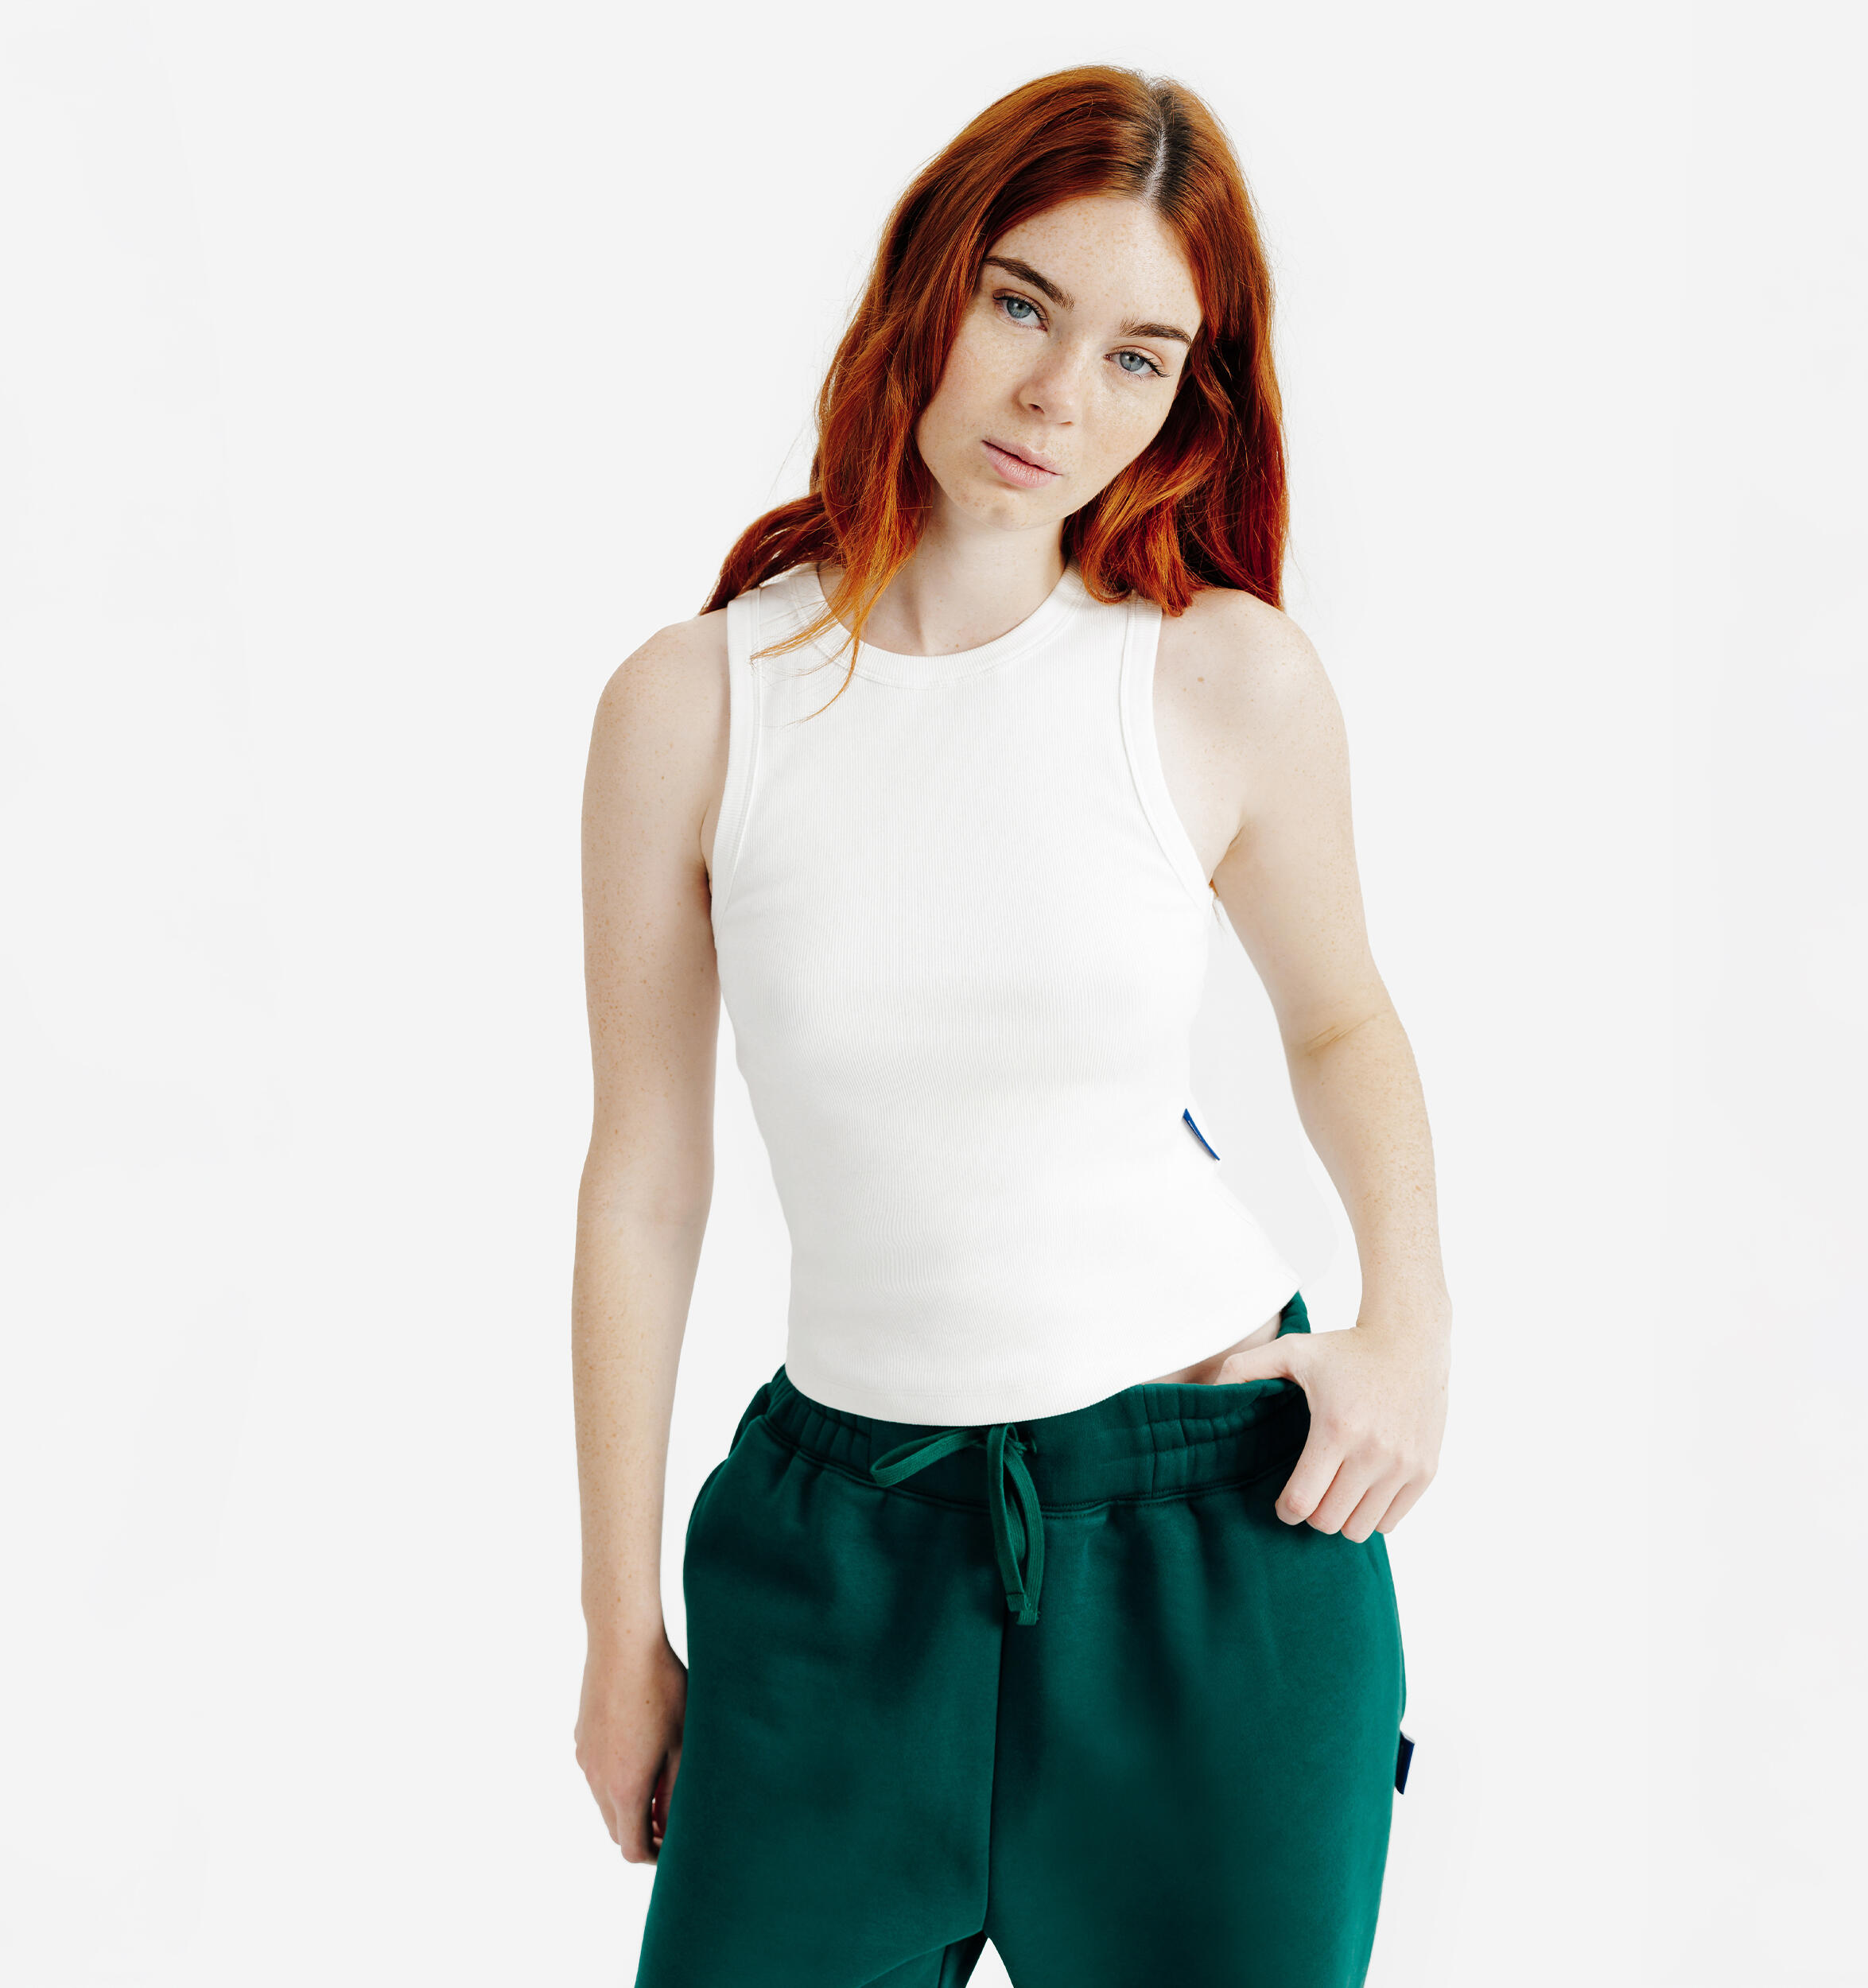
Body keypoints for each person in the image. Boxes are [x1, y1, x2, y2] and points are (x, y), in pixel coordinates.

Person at [573, 62, 1452, 1988]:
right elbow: (642, 1183)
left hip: (1210, 1546)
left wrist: (1406, 1329)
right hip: (834, 1563)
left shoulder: (1219, 679)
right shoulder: (689, 708)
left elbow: (1339, 1019)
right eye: (1021, 305)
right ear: (929, 281)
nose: (1059, 397)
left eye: (1138, 356)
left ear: (1189, 398)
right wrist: (616, 1627)